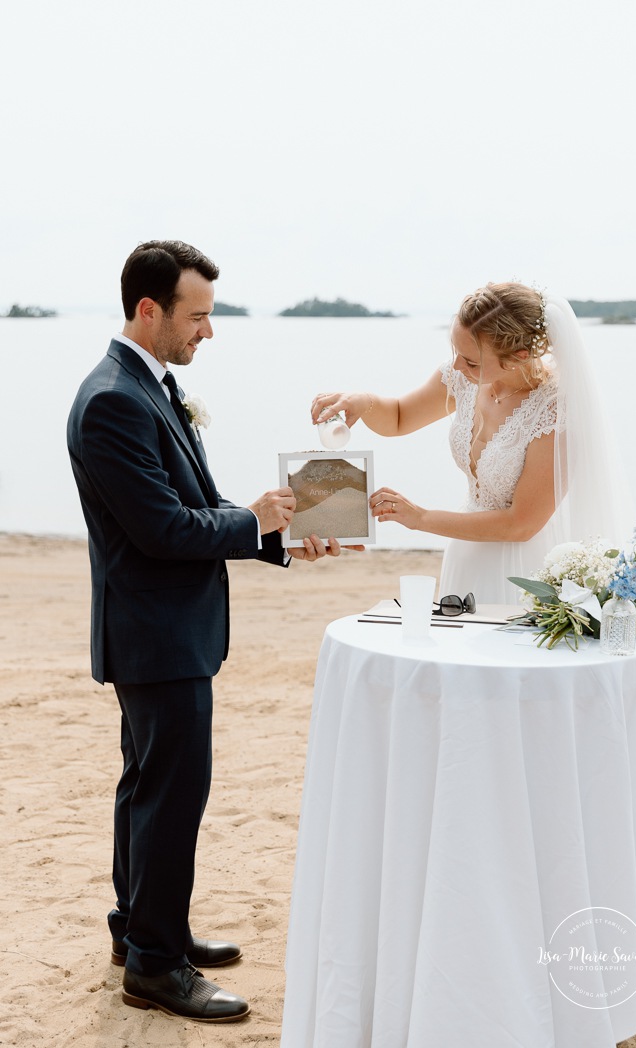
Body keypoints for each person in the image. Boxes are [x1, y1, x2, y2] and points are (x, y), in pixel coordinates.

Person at [311, 281, 636, 1007]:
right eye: (452, 353)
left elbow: (522, 522)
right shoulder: (462, 372)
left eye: (471, 358)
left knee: (530, 738)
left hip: (524, 573)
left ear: (516, 354)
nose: (456, 369)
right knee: (470, 731)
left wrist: (421, 516)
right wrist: (357, 403)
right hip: (465, 568)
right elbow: (397, 416)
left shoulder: (555, 410)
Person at [67, 240, 355, 1024]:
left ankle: (140, 931)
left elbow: (191, 503)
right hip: (155, 635)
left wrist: (276, 532)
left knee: (146, 788)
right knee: (172, 794)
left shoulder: (144, 385)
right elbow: (162, 529)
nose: (208, 332)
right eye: (197, 317)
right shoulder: (114, 401)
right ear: (148, 309)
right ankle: (156, 968)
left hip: (160, 630)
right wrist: (249, 520)